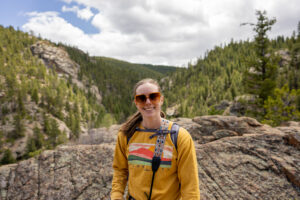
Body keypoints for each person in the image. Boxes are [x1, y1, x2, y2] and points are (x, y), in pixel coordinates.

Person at [110, 78, 200, 200]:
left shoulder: (179, 137)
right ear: (136, 103)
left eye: (153, 97)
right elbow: (120, 170)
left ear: (161, 99)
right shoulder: (126, 134)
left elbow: (190, 186)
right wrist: (116, 196)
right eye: (141, 98)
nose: (148, 102)